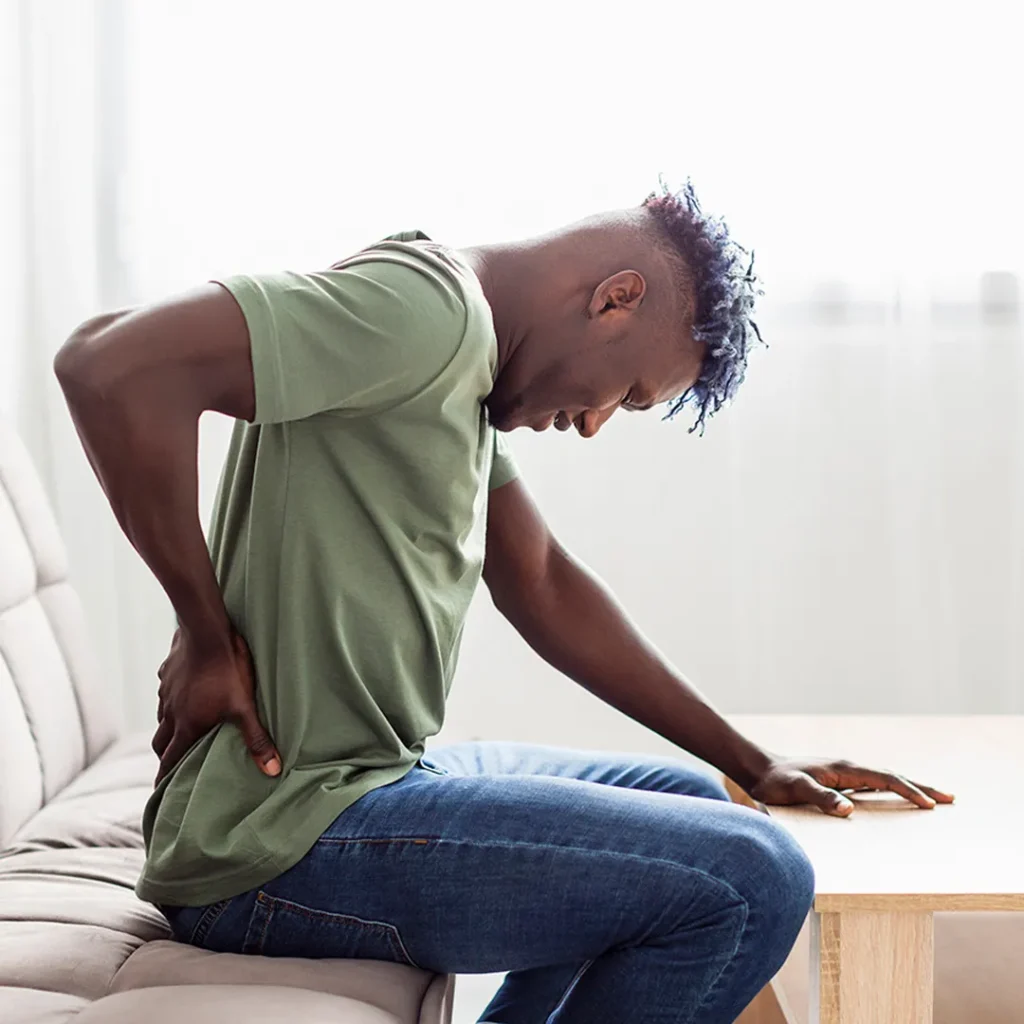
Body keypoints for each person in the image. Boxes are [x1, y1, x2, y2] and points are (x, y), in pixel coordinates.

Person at [55, 180, 953, 1023]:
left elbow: (542, 579)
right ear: (616, 299)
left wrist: (757, 764)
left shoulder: (466, 360)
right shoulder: (424, 314)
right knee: (753, 878)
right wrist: (205, 631)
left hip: (369, 781)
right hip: (280, 840)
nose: (594, 423)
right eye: (628, 394)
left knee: (697, 797)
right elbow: (106, 364)